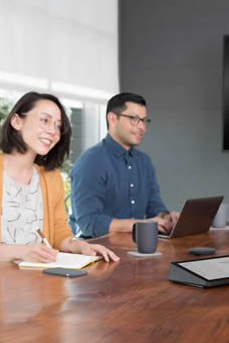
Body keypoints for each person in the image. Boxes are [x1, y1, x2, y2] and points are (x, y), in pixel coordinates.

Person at [0, 92, 119, 274]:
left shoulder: (51, 177)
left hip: (37, 284)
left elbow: (58, 232)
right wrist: (23, 252)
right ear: (17, 121)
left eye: (58, 126)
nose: (53, 131)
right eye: (45, 121)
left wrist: (80, 246)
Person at [68, 92, 179, 238]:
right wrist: (140, 225)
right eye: (134, 119)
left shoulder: (144, 162)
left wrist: (167, 218)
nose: (142, 128)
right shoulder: (90, 161)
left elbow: (154, 206)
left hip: (136, 247)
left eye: (144, 121)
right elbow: (89, 223)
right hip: (96, 251)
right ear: (112, 119)